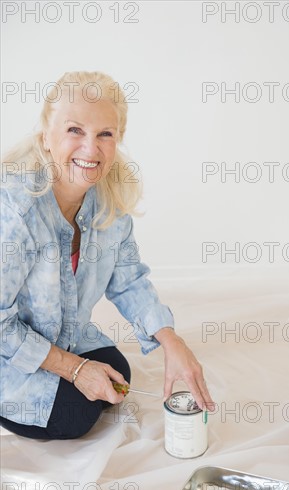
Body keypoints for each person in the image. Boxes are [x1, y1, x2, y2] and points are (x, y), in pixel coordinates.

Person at [0, 71, 213, 440]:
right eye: (74, 131)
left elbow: (129, 279)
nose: (90, 148)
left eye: (105, 134)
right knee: (76, 414)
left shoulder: (109, 202)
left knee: (117, 375)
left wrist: (171, 341)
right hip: (8, 350)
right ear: (45, 139)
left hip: (64, 336)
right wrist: (76, 369)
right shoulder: (15, 211)